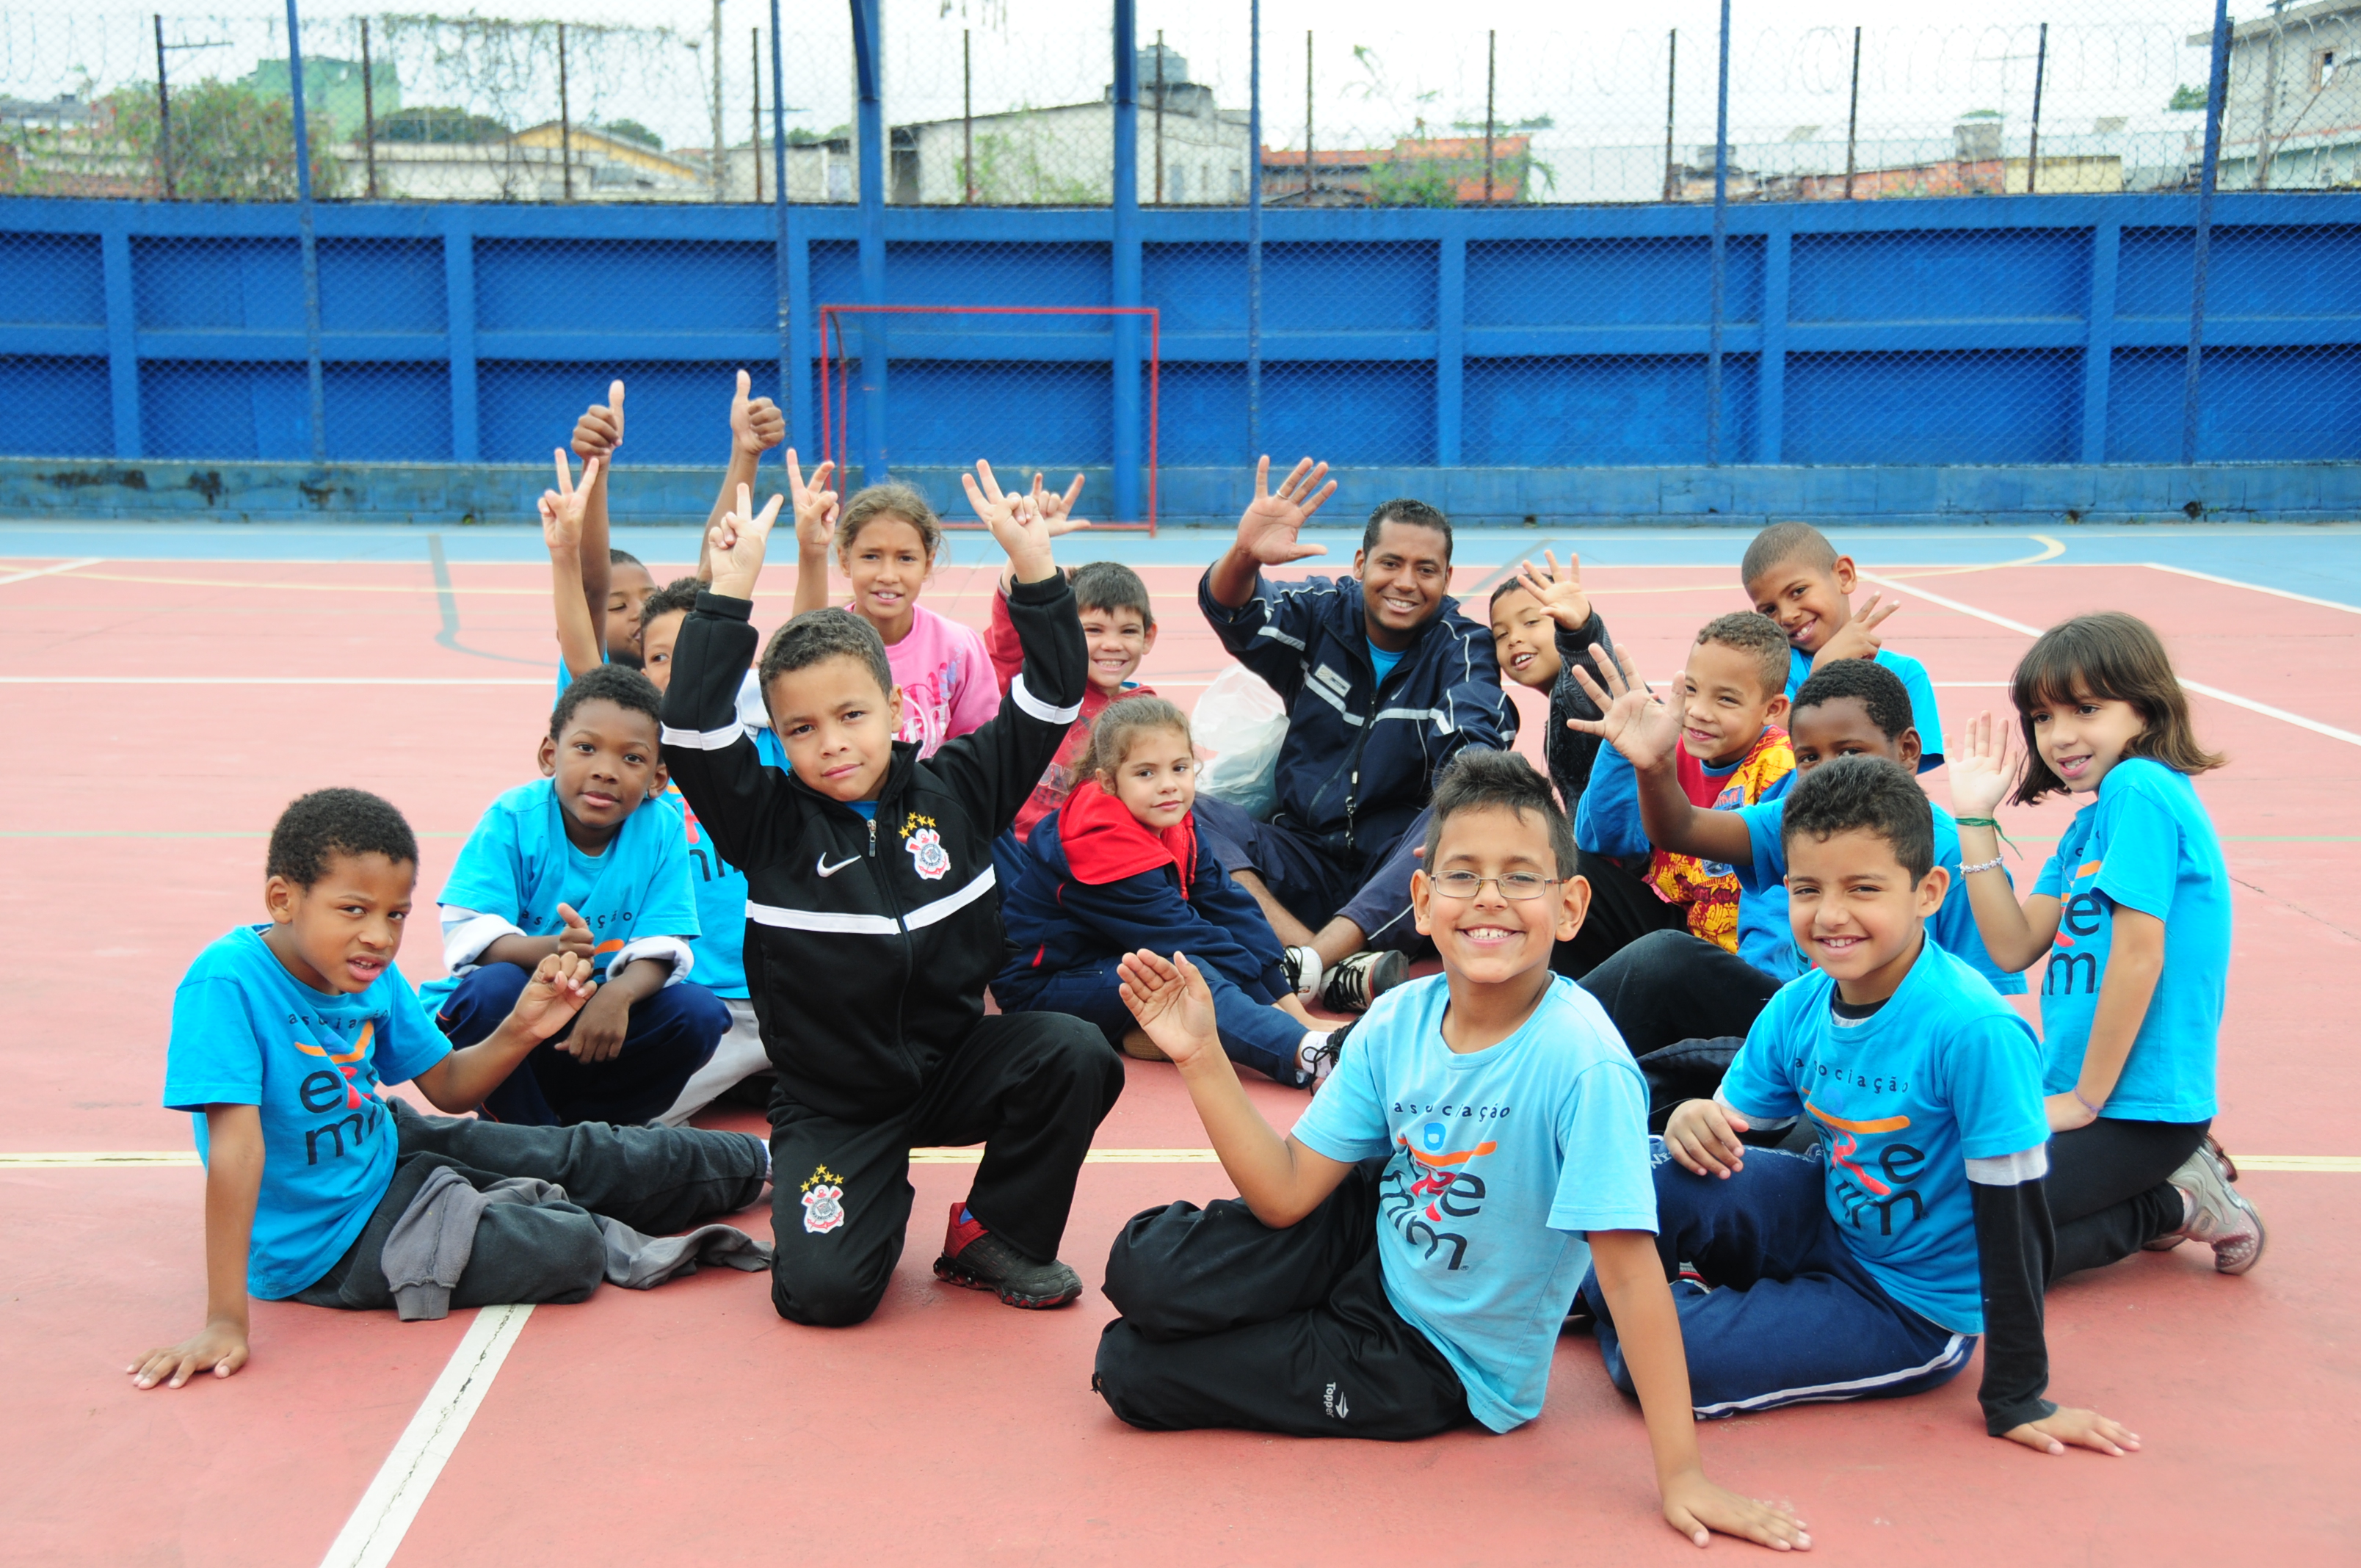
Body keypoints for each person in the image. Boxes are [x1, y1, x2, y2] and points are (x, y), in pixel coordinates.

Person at [1091, 751, 1808, 1553]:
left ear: (1570, 906)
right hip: (1367, 1238)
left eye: (1520, 877)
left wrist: (1685, 1476)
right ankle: (1285, 1304)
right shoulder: (1398, 1019)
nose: (1491, 898)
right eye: (1463, 875)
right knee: (1139, 1269)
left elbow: (1632, 1276)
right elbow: (1288, 1194)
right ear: (1424, 903)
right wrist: (1201, 1057)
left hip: (1439, 1357)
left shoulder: (1583, 1063)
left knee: (1131, 1370)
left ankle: (1289, 1324)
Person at [662, 465, 1121, 1322]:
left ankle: (994, 1233)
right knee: (823, 1299)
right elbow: (690, 727)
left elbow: (1054, 693)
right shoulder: (764, 822)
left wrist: (1034, 568)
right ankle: (862, 1197)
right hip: (836, 1100)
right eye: (801, 729)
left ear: (894, 706)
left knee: (1073, 1051)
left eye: (851, 715)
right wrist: (727, 593)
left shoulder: (961, 787)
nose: (831, 743)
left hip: (952, 1066)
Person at [130, 788, 771, 1390]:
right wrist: (225, 1320)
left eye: (395, 915)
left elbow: (450, 1088)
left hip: (390, 1147)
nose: (379, 936)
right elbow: (237, 1153)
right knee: (567, 1245)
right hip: (329, 1242)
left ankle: (770, 1162)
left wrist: (524, 1027)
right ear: (282, 899)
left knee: (580, 1153)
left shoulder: (366, 973)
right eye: (353, 910)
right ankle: (545, 1205)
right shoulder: (227, 982)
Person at [1592, 757, 2139, 1461]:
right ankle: (1642, 1298)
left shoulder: (1974, 1032)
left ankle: (1639, 1305)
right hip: (1830, 1217)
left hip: (1908, 1304)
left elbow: (2016, 1221)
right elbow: (1726, 1131)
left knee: (1663, 1363)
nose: (1831, 914)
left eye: (1864, 889)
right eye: (1808, 888)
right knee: (1654, 1176)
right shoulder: (1799, 1004)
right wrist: (1691, 1117)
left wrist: (2016, 1392)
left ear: (1928, 892)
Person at [1570, 658, 2029, 1114]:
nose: (1828, 771)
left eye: (1849, 752)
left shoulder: (1952, 856)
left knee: (1666, 962)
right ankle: (1544, 1051)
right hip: (1810, 1027)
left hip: (1891, 1068)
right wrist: (1653, 766)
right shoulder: (1800, 821)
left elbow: (1988, 1008)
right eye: (1809, 758)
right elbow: (1682, 829)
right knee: (1584, 882)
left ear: (1908, 750)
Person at [1948, 611, 2260, 1277]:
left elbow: (2140, 953)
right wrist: (1974, 818)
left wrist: (2086, 1101)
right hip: (2084, 1093)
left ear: (2144, 711)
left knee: (1974, 1249)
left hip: (2137, 1108)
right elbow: (2011, 946)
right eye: (2041, 718)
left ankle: (2175, 1202)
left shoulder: (2139, 788)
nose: (2060, 736)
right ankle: (2157, 1185)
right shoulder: (2088, 827)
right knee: (1945, 1216)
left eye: (2086, 709)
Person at [1193, 457, 1517, 1013]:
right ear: (1362, 562)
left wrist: (1460, 803)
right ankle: (1326, 962)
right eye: (1390, 563)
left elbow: (1472, 751)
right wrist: (1245, 554)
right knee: (1184, 810)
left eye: (1426, 570)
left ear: (1446, 579)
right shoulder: (1322, 614)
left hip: (1396, 870)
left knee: (1465, 806)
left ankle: (1306, 961)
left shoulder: (1462, 646)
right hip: (1301, 855)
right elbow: (1235, 612)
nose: (1406, 583)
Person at [425, 665, 728, 1128]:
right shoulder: (514, 817)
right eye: (586, 749)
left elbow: (664, 941)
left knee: (699, 1014)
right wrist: (552, 949)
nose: (605, 771)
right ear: (551, 755)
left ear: (657, 777)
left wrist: (618, 996)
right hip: (512, 1024)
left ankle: (596, 1133)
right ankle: (528, 1135)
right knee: (492, 990)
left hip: (596, 1026)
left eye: (632, 758)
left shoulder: (662, 827)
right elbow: (471, 933)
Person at [995, 697, 1344, 1088]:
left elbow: (1233, 911)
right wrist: (1294, 1030)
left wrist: (1296, 1010)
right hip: (1046, 989)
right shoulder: (1098, 845)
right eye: (1146, 773)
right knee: (1181, 977)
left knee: (1199, 957)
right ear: (1108, 781)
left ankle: (1146, 1032)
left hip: (1112, 959)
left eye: (1180, 768)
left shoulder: (1176, 823)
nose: (1168, 786)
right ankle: (1310, 1056)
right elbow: (1187, 937)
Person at [1564, 611, 1796, 978]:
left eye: (1727, 700)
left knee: (1669, 956)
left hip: (1744, 957)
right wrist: (1623, 755)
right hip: (1676, 928)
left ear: (1773, 709)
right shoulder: (1669, 745)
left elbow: (1775, 894)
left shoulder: (1783, 769)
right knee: (1569, 875)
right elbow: (1602, 843)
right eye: (1691, 690)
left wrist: (1762, 992)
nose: (1699, 712)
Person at [788, 462, 998, 758]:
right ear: (845, 560)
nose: (888, 574)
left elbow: (981, 748)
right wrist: (811, 551)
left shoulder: (958, 648)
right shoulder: (829, 645)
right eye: (871, 556)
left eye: (906, 558)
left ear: (928, 563)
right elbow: (798, 659)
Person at [1740, 522, 1943, 771]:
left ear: (1844, 576)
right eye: (1769, 610)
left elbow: (1907, 772)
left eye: (1798, 591)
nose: (1787, 616)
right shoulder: (1773, 670)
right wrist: (1823, 671)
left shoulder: (1906, 674)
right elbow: (1765, 746)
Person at [1487, 549, 1614, 812]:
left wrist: (1578, 631)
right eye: (1501, 634)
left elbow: (1594, 679)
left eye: (1531, 622)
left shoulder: (1577, 690)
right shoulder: (1558, 703)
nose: (1514, 638)